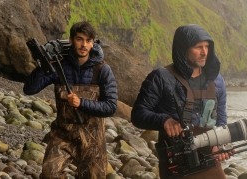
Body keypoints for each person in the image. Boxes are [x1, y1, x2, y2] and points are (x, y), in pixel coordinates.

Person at [131, 24, 231, 179]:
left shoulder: (217, 81)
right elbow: (138, 114)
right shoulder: (160, 77)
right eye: (198, 47)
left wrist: (221, 143)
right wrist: (164, 120)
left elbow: (221, 118)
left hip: (210, 160)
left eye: (207, 47)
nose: (204, 52)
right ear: (183, 48)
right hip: (177, 165)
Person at [23, 21, 117, 179]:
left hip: (93, 138)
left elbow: (110, 107)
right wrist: (43, 63)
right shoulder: (60, 66)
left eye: (88, 41)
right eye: (80, 39)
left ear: (93, 43)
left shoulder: (102, 70)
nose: (84, 45)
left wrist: (81, 103)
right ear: (71, 40)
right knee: (49, 173)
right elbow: (29, 89)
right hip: (63, 134)